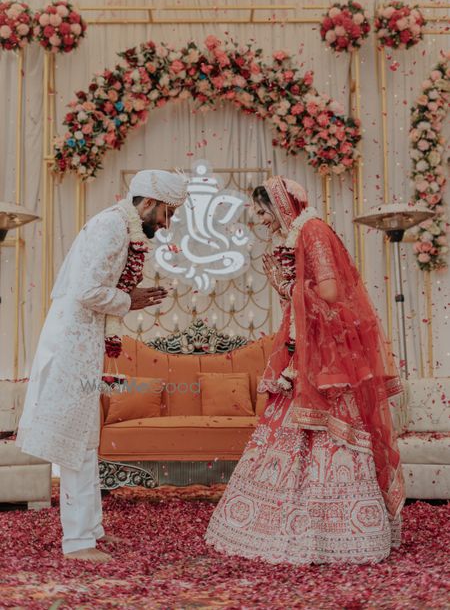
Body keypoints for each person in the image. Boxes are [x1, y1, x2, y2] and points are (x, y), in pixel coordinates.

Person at [205, 175, 405, 565]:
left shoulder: (312, 231)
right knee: (293, 429)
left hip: (327, 359)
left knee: (328, 434)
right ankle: (289, 524)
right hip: (309, 353)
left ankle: (338, 530)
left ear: (281, 205)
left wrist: (287, 286)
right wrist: (287, 287)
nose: (262, 220)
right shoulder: (300, 234)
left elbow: (330, 292)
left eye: (262, 211)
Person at [17, 169, 188, 562]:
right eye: (167, 212)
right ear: (149, 203)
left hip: (83, 339)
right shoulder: (112, 227)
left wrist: (129, 295)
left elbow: (95, 288)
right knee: (76, 441)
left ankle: (91, 530)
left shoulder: (118, 225)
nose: (167, 223)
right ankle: (78, 542)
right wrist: (130, 299)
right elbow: (87, 291)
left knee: (87, 438)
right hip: (72, 342)